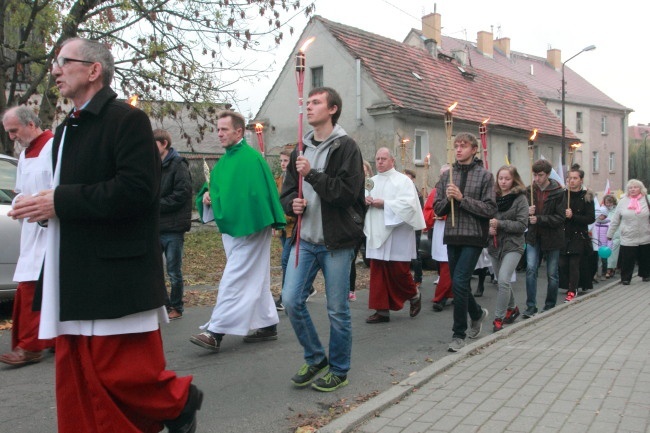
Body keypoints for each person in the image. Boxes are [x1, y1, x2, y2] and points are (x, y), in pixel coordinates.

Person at [8, 38, 202, 433]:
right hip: (72, 270)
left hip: (114, 271)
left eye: (64, 62)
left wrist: (59, 202)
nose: (56, 70)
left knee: (120, 372)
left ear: (94, 70)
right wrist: (44, 209)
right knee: (78, 374)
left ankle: (179, 403)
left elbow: (136, 191)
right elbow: (69, 193)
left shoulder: (127, 120)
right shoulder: (64, 130)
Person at [280, 86, 365, 392]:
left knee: (337, 310)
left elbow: (346, 194)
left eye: (316, 102)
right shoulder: (298, 150)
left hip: (336, 243)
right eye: (308, 102)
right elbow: (287, 193)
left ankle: (339, 369)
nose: (308, 106)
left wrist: (313, 175)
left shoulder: (346, 148)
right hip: (304, 240)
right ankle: (316, 357)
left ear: (332, 109)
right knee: (290, 300)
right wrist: (293, 204)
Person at [190, 110, 286, 350]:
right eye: (218, 129)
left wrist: (220, 200)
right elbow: (215, 188)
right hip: (233, 229)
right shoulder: (225, 160)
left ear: (239, 131)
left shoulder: (251, 159)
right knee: (256, 275)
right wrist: (208, 198)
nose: (219, 134)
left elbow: (252, 197)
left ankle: (216, 331)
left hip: (251, 226)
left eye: (224, 129)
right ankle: (267, 324)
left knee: (234, 278)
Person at [0, 106, 55, 367]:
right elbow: (20, 189)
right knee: (32, 286)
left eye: (14, 131)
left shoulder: (54, 147)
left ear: (31, 124)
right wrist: (20, 202)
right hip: (31, 230)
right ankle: (50, 339)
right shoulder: (24, 155)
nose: (12, 137)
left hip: (51, 227)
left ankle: (31, 346)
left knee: (36, 288)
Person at [433, 133, 496, 353]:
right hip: (452, 235)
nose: (459, 149)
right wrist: (447, 200)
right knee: (459, 284)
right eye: (456, 146)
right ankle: (477, 314)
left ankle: (458, 334)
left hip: (474, 236)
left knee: (459, 281)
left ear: (474, 149)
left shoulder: (485, 176)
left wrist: (461, 199)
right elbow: (437, 207)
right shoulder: (446, 176)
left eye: (464, 146)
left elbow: (489, 209)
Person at [364, 148, 425, 323]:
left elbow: (409, 206)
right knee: (377, 271)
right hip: (377, 231)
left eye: (384, 158)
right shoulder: (371, 182)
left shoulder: (403, 181)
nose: (380, 162)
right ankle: (381, 310)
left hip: (397, 233)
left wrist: (385, 204)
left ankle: (414, 295)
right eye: (377, 159)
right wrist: (365, 201)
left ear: (392, 161)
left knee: (399, 271)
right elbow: (362, 200)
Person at [154, 128, 193, 321]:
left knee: (173, 270)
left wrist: (156, 204)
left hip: (174, 228)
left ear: (164, 144)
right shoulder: (153, 165)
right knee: (155, 270)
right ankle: (163, 305)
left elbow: (182, 194)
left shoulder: (178, 165)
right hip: (156, 226)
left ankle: (176, 306)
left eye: (154, 144)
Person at [487, 165, 528, 332]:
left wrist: (500, 224)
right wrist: (488, 229)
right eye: (501, 178)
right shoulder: (492, 197)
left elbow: (522, 224)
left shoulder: (520, 198)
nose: (503, 182)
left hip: (513, 245)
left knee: (504, 280)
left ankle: (499, 317)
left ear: (514, 180)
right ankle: (513, 308)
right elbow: (486, 217)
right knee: (501, 281)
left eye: (507, 179)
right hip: (495, 245)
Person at [523, 159, 566, 318]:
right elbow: (521, 214)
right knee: (530, 269)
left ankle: (550, 305)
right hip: (534, 236)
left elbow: (560, 218)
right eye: (535, 175)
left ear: (547, 175)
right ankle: (531, 306)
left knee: (552, 273)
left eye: (540, 175)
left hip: (552, 237)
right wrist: (527, 211)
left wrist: (540, 219)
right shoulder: (529, 191)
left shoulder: (558, 192)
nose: (537, 178)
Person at [559, 165, 595, 302]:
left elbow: (590, 218)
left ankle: (572, 289)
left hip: (579, 235)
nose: (571, 181)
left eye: (575, 178)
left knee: (574, 263)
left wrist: (573, 216)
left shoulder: (586, 197)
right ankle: (569, 284)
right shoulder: (562, 195)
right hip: (564, 234)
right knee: (563, 263)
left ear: (581, 180)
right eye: (569, 178)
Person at [606, 179, 650, 285]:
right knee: (627, 259)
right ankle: (626, 278)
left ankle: (646, 274)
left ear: (641, 188)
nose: (633, 189)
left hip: (645, 234)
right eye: (630, 188)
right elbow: (615, 219)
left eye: (635, 187)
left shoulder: (646, 199)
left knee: (645, 257)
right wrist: (610, 234)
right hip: (628, 235)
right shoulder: (623, 201)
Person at [424, 165, 453, 312]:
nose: (444, 177)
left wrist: (447, 215)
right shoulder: (435, 192)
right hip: (440, 231)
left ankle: (441, 296)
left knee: (448, 267)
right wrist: (435, 216)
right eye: (442, 174)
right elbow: (428, 210)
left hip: (454, 231)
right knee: (444, 266)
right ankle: (450, 293)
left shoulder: (456, 190)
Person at [404, 168, 424, 288]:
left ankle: (418, 277)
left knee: (415, 253)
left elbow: (419, 210)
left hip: (414, 226)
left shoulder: (417, 193)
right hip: (406, 226)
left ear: (413, 179)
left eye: (409, 177)